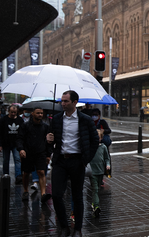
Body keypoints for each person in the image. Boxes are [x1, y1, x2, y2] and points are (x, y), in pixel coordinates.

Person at [46, 90, 99, 237]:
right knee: (56, 195)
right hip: (60, 161)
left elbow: (95, 140)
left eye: (66, 101)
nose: (62, 103)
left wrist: (85, 160)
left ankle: (77, 229)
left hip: (77, 161)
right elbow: (50, 141)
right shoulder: (56, 119)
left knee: (77, 196)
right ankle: (64, 227)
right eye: (61, 101)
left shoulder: (85, 119)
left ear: (75, 102)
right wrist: (49, 141)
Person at [16, 107, 52, 203]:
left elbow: (49, 142)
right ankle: (25, 190)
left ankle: (43, 193)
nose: (40, 115)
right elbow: (20, 138)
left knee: (41, 172)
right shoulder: (25, 126)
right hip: (28, 153)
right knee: (26, 173)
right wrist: (21, 149)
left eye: (41, 113)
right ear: (33, 114)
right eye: (38, 113)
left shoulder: (45, 127)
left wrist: (48, 154)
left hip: (41, 152)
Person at [89, 129, 110, 218]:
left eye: (99, 137)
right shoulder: (90, 147)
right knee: (95, 189)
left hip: (100, 171)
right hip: (92, 172)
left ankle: (94, 203)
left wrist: (107, 165)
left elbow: (107, 158)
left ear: (101, 138)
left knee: (96, 188)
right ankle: (97, 206)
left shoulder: (103, 147)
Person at [0, 105, 24, 184]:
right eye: (12, 112)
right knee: (5, 160)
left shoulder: (20, 120)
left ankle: (18, 176)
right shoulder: (3, 120)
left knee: (17, 159)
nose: (13, 114)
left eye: (15, 112)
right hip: (6, 143)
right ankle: (6, 175)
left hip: (16, 144)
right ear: (8, 111)